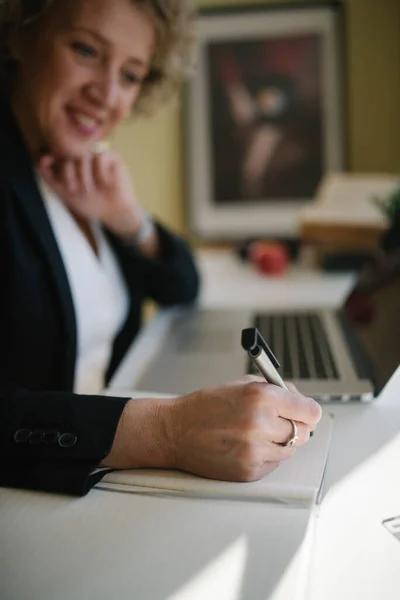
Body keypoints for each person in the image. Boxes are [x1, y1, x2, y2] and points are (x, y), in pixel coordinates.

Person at [0, 0, 322, 496]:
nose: (106, 95)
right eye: (86, 49)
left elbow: (181, 284)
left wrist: (130, 222)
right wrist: (168, 430)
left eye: (131, 75)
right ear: (19, 32)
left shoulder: (71, 170)